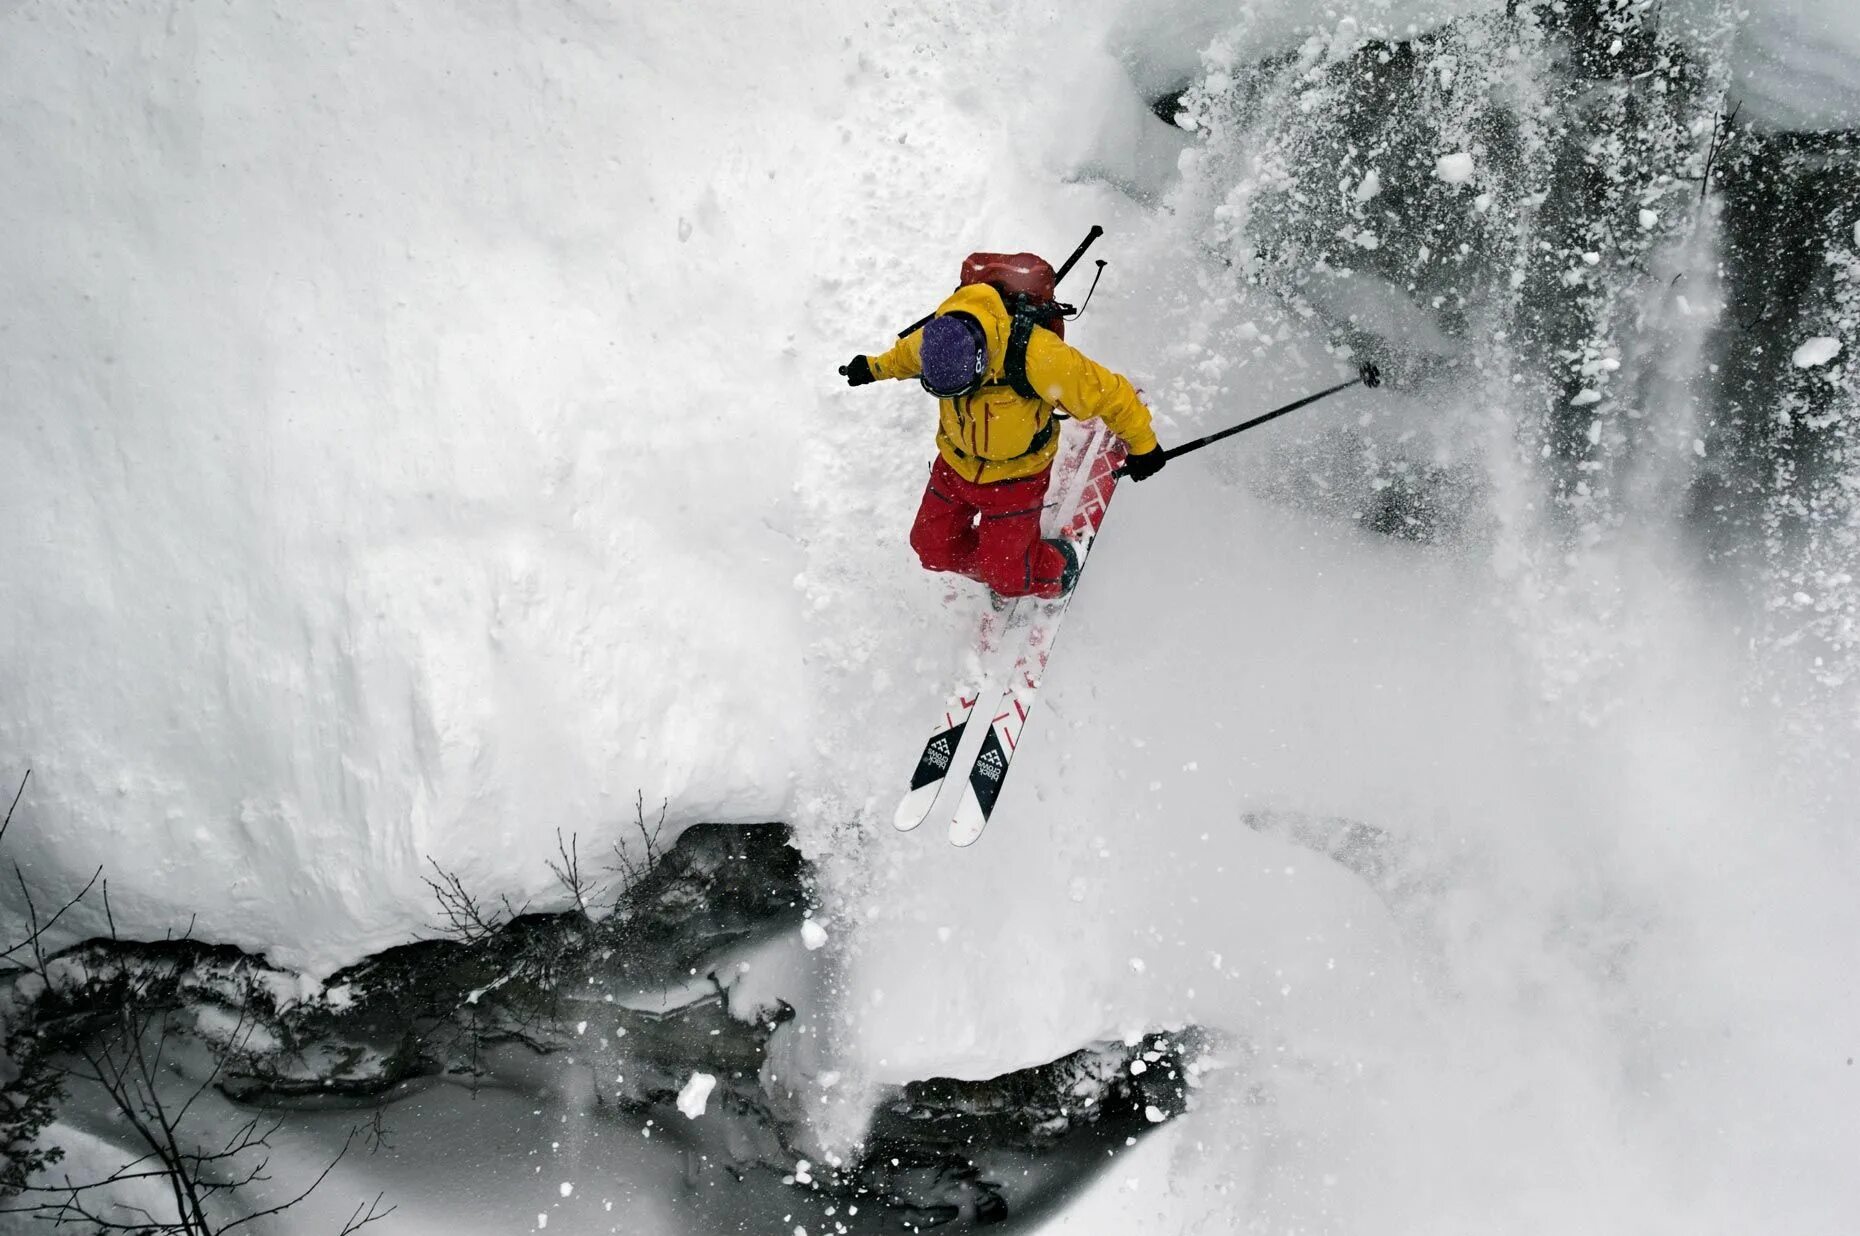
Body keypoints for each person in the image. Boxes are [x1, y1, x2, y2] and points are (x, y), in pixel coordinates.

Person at [841, 280, 1167, 601]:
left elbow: (1112, 396)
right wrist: (872, 368)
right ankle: (1008, 567)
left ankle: (1056, 570)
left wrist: (1144, 447)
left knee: (1007, 578)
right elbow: (905, 357)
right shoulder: (937, 337)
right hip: (954, 467)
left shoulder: (1038, 356)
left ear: (981, 363)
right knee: (931, 549)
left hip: (1016, 478)